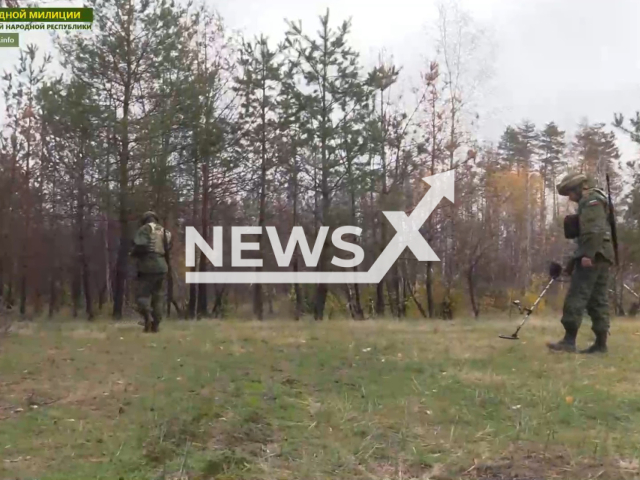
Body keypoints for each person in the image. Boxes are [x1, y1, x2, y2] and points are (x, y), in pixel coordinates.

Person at [547, 172, 615, 354]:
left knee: (577, 296)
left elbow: (594, 230)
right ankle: (601, 345)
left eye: (570, 192)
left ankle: (569, 341)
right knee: (597, 300)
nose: (569, 197)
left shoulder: (591, 199)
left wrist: (587, 254)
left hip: (594, 254)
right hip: (602, 255)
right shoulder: (596, 197)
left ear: (579, 188)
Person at [130, 211, 172, 333]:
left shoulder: (146, 229)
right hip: (162, 266)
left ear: (145, 220)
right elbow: (168, 248)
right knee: (158, 297)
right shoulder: (165, 232)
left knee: (141, 296)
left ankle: (148, 316)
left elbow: (140, 244)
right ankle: (156, 325)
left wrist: (133, 253)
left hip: (148, 266)